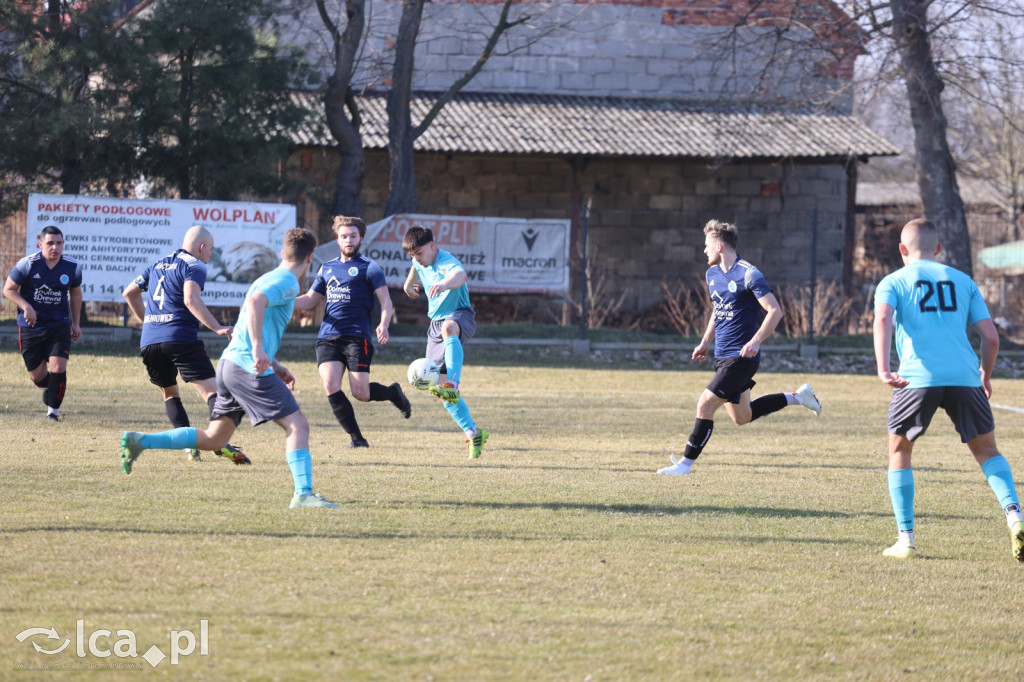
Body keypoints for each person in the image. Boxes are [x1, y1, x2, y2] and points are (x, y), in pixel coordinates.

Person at [120, 228, 338, 509]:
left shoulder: (268, 278)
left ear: (283, 253)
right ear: (310, 258)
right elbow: (256, 303)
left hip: (229, 364)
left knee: (214, 438)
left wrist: (276, 364)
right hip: (247, 366)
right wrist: (260, 351)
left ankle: (140, 442)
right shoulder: (286, 280)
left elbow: (255, 313)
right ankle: (304, 494)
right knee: (298, 425)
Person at [873, 218, 1024, 561]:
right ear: (939, 249)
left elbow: (882, 319)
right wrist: (985, 373)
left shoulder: (893, 281)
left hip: (916, 379)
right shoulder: (964, 281)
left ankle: (906, 540)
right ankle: (1015, 516)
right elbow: (991, 337)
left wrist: (884, 368)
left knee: (900, 453)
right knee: (988, 452)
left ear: (901, 250)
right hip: (965, 378)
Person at [657, 219, 821, 475]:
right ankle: (798, 397)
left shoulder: (749, 273)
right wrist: (705, 341)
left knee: (705, 404)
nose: (704, 251)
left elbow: (775, 311)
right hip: (723, 356)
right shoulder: (712, 274)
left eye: (707, 245)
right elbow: (718, 309)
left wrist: (755, 341)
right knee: (742, 417)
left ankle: (685, 464)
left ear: (720, 246)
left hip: (741, 358)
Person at [122, 225, 250, 465]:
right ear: (201, 247)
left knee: (169, 393)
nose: (210, 255)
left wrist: (148, 322)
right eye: (210, 250)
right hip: (180, 338)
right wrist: (218, 327)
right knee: (213, 392)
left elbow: (129, 293)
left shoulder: (157, 264)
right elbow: (191, 299)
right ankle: (218, 442)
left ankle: (190, 449)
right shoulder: (195, 265)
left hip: (150, 341)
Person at [293, 216, 411, 448]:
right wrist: (281, 301)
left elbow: (386, 302)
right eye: (344, 236)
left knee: (361, 393)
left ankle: (392, 393)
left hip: (357, 337)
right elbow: (309, 301)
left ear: (361, 239)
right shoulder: (326, 268)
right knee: (330, 385)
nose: (348, 240)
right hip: (328, 337)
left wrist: (384, 324)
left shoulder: (370, 268)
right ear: (337, 239)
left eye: (353, 236)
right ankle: (357, 439)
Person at [402, 226, 488, 458]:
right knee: (439, 391)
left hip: (460, 315)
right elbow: (416, 268)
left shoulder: (446, 260)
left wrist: (444, 285)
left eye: (419, 252)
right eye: (412, 255)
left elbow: (460, 276)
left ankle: (454, 383)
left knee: (450, 330)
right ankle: (473, 433)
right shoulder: (420, 261)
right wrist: (409, 285)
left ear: (432, 245)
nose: (416, 258)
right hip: (435, 326)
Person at [3, 225, 83, 421]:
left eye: (59, 243)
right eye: (50, 243)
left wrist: (76, 323)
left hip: (59, 326)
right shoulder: (27, 264)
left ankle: (52, 413)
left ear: (63, 244)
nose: (54, 247)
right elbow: (9, 290)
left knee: (59, 367)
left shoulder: (73, 267)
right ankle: (53, 387)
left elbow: (75, 294)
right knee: (38, 377)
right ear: (40, 244)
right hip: (31, 327)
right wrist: (26, 307)